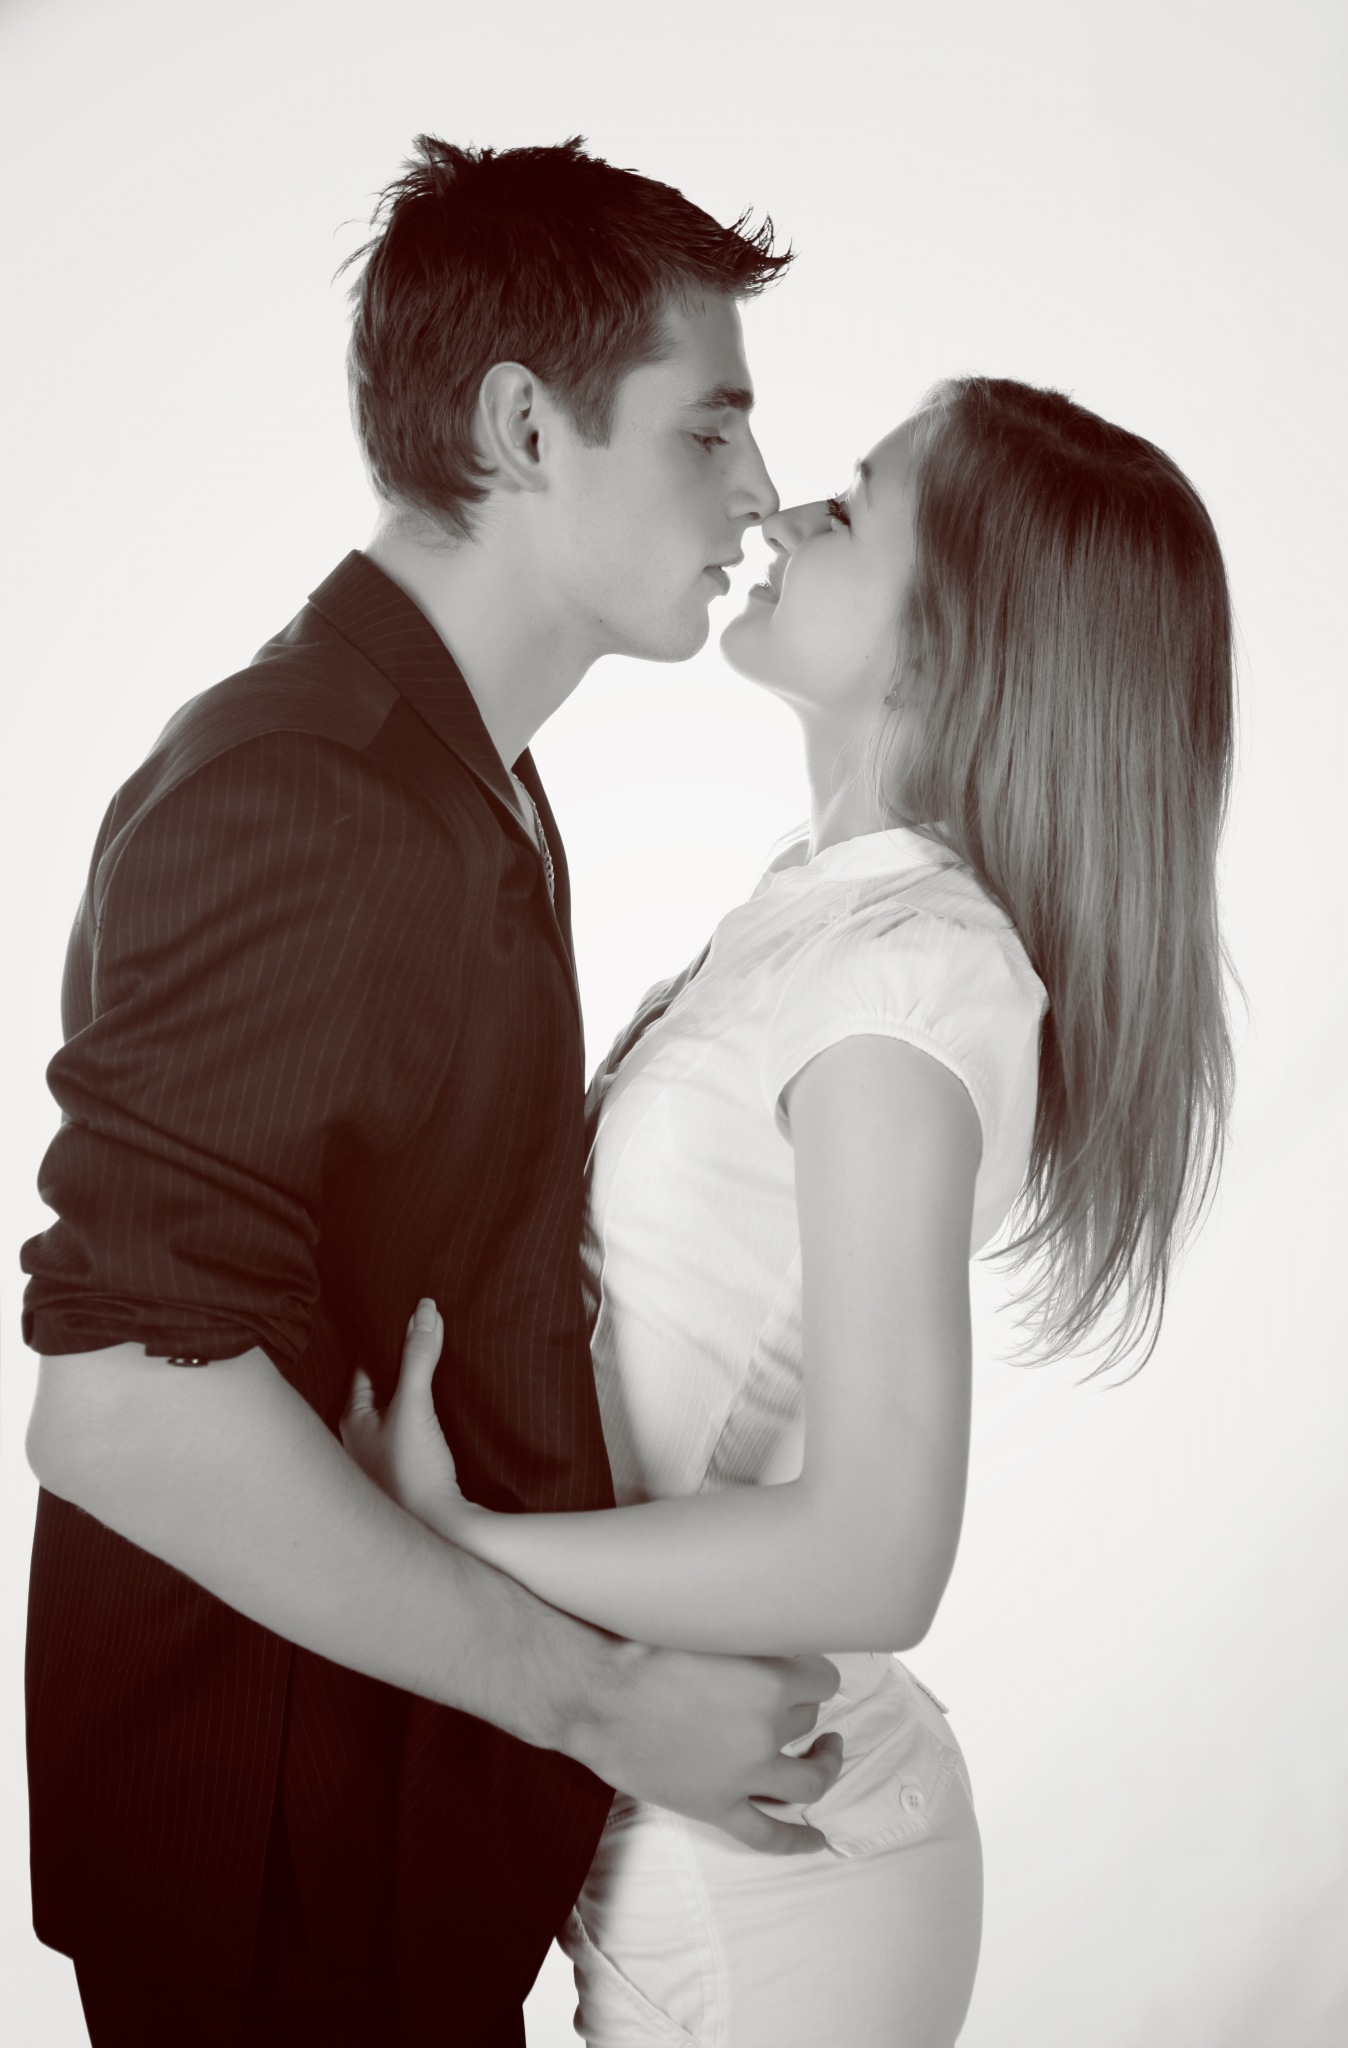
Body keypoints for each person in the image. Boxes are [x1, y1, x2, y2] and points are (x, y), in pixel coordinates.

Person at [19, 138, 847, 2048]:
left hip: (385, 1832)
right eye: (708, 427)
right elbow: (120, 1398)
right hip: (277, 1877)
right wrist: (601, 1700)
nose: (757, 489)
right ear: (524, 428)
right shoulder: (307, 784)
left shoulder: (453, 764)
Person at [347, 377, 1237, 2046]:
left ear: (956, 637)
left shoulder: (904, 984)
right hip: (706, 1839)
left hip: (778, 1901)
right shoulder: (824, 916)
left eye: (853, 501)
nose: (780, 510)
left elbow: (875, 1554)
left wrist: (451, 1551)